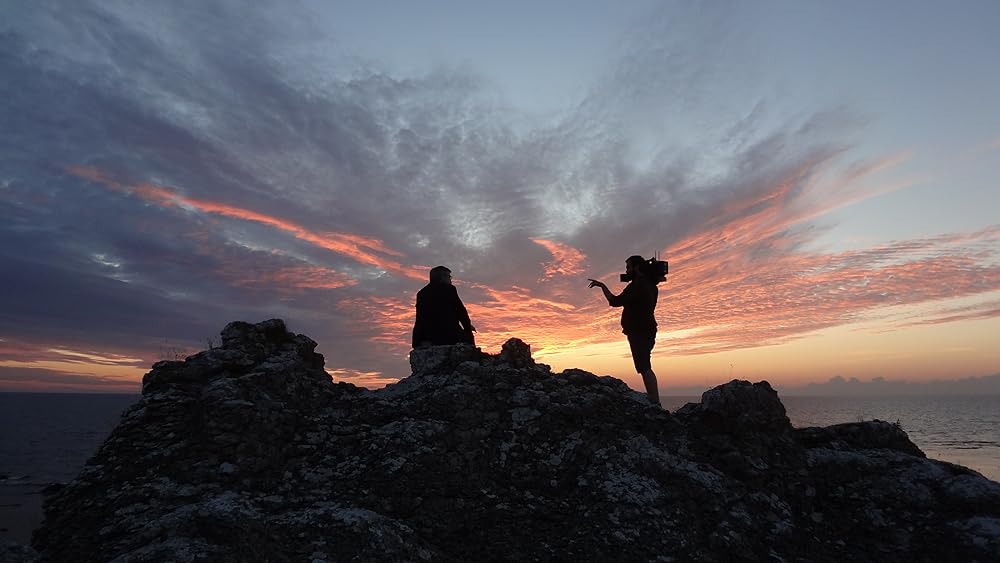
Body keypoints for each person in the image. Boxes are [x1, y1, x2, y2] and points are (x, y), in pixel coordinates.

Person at [588, 256, 661, 406]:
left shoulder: (637, 286)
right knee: (644, 365)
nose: (626, 271)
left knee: (644, 366)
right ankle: (654, 399)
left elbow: (614, 302)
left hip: (639, 331)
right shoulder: (651, 285)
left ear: (637, 268)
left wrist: (602, 286)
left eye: (628, 267)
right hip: (647, 330)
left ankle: (655, 401)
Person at [412, 265, 476, 348]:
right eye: (449, 276)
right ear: (442, 277)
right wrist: (468, 329)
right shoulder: (449, 289)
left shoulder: (421, 293)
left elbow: (420, 319)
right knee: (467, 342)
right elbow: (461, 311)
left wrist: (417, 342)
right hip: (449, 335)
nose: (450, 279)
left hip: (429, 337)